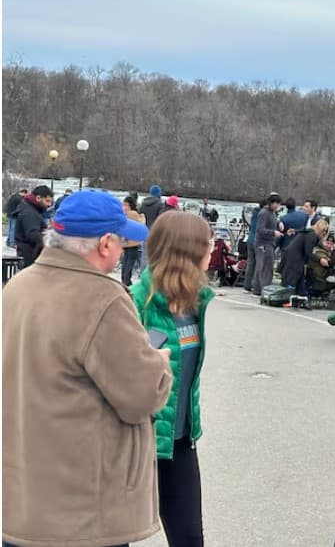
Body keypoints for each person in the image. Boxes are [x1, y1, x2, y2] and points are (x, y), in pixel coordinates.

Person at [2, 190, 172, 547]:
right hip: (82, 513)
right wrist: (158, 361)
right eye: (122, 240)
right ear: (105, 243)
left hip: (22, 502)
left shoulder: (17, 287)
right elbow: (142, 397)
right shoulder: (102, 298)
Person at [130, 211, 215, 547]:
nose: (213, 251)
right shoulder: (135, 301)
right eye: (207, 245)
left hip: (178, 441)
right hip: (136, 440)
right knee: (111, 536)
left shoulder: (197, 302)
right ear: (188, 252)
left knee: (190, 538)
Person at [281, 218, 330, 296]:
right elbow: (308, 252)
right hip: (295, 260)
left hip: (290, 256)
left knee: (297, 281)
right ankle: (287, 296)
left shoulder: (308, 232)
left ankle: (301, 297)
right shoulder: (312, 236)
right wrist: (320, 259)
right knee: (292, 280)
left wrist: (295, 231)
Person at [13, 184, 54, 268]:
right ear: (38, 198)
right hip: (30, 256)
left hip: (28, 254)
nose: (49, 204)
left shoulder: (29, 209)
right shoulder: (30, 213)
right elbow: (33, 234)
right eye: (47, 201)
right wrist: (48, 241)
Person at [252, 193, 282, 296]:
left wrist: (279, 223)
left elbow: (271, 223)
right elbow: (260, 229)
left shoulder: (272, 213)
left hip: (268, 243)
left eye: (278, 204)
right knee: (265, 267)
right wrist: (273, 232)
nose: (277, 206)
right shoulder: (264, 213)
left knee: (261, 266)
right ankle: (265, 290)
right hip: (263, 243)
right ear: (270, 203)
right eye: (275, 203)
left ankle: (257, 289)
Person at [121, 195, 146, 286]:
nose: (123, 207)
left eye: (125, 205)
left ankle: (124, 281)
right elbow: (142, 224)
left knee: (126, 263)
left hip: (126, 243)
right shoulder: (135, 214)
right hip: (133, 243)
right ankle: (127, 282)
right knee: (128, 264)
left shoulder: (126, 214)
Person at [277, 197, 308, 267]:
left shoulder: (283, 219)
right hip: (300, 247)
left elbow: (280, 235)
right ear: (295, 205)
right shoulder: (304, 216)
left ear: (286, 206)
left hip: (286, 247)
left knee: (286, 270)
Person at [242, 203, 261, 292]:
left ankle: (247, 284)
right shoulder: (262, 214)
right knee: (258, 264)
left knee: (250, 263)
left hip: (250, 239)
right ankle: (256, 284)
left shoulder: (254, 213)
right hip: (257, 241)